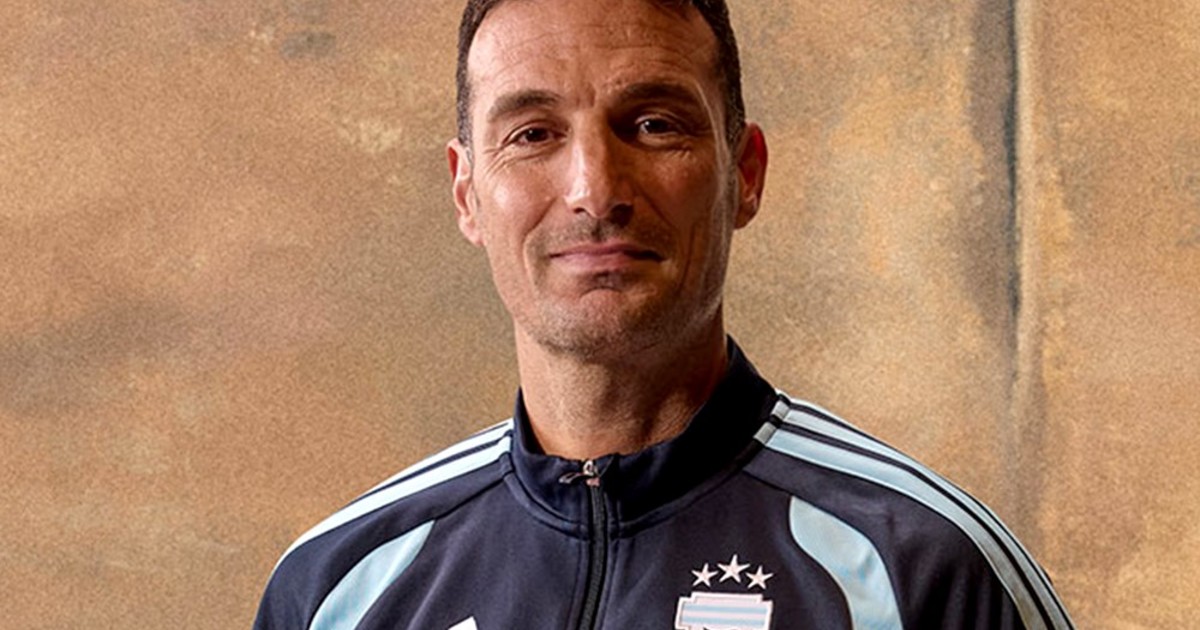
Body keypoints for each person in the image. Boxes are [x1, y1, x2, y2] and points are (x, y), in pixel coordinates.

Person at [254, 0, 1074, 628]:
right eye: (533, 134)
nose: (594, 190)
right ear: (467, 192)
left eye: (653, 125)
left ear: (744, 174)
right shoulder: (337, 589)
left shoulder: (923, 572)